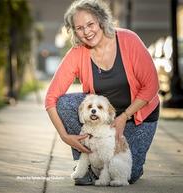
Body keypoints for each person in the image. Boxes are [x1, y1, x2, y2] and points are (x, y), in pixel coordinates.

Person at [45, 0, 160, 186]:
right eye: (79, 28)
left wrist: (124, 116)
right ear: (74, 32)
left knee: (126, 174)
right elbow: (50, 99)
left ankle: (108, 167)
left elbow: (152, 85)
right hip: (103, 119)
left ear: (101, 20)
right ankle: (88, 166)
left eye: (90, 24)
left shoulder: (129, 40)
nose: (87, 31)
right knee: (64, 104)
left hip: (138, 117)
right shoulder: (78, 52)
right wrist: (64, 136)